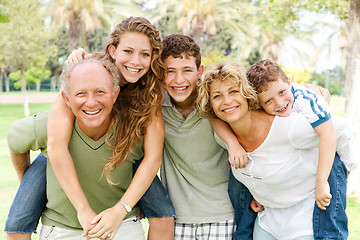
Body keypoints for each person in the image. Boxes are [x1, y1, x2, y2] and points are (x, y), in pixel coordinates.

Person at [4, 16, 175, 240]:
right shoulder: (84, 73)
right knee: (18, 220)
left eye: (145, 54)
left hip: (123, 150)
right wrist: (34, 182)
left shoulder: (148, 92)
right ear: (113, 51)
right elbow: (56, 146)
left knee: (163, 212)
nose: (136, 61)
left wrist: (122, 207)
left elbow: (153, 158)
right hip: (60, 148)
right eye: (128, 51)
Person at [196, 62, 352, 239]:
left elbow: (338, 130)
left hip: (305, 216)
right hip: (268, 218)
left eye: (233, 91)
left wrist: (340, 171)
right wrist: (258, 192)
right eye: (217, 96)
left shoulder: (287, 127)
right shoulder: (224, 136)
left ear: (248, 93)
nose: (227, 101)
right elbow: (212, 117)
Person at [7, 58, 150, 239]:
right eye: (81, 94)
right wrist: (28, 181)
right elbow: (15, 141)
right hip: (61, 230)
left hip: (123, 226)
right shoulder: (48, 126)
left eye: (100, 92)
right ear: (66, 98)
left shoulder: (134, 129)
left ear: (115, 94)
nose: (91, 102)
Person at [158, 34, 256, 239]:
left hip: (222, 215)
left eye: (187, 70)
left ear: (199, 72)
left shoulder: (218, 100)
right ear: (161, 74)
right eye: (170, 72)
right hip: (176, 219)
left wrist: (307, 90)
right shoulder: (155, 105)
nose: (179, 80)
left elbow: (264, 87)